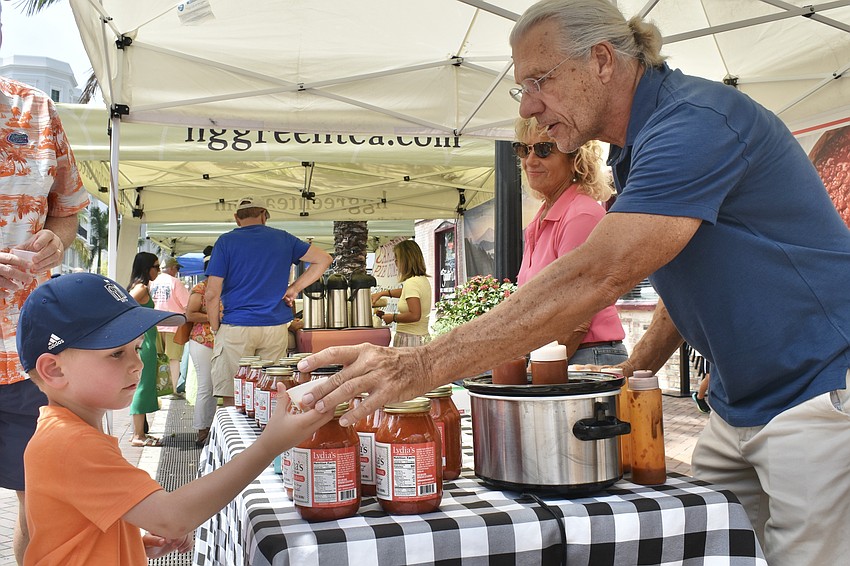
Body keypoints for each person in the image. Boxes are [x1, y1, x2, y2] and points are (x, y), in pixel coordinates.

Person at [297, 2, 850, 565]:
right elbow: (684, 276)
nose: (529, 107)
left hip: (817, 388)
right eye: (523, 89)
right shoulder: (637, 146)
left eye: (540, 80)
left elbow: (598, 273)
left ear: (602, 61)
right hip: (738, 403)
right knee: (705, 546)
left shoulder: (695, 122)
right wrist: (633, 372)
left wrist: (418, 366)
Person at [15, 273, 332, 566]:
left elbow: (76, 530)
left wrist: (132, 544)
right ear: (54, 370)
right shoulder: (72, 443)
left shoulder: (67, 432)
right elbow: (172, 518)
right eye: (116, 353)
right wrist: (270, 445)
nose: (137, 364)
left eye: (137, 347)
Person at [0, 3, 89, 562]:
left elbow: (67, 209)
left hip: (29, 354)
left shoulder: (35, 109)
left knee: (42, 510)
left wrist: (57, 237)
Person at [514, 117, 626, 366]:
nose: (530, 160)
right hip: (560, 354)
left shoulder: (580, 214)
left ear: (575, 159)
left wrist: (535, 370)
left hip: (584, 356)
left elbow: (577, 318)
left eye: (543, 150)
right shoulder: (542, 218)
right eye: (523, 149)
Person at [206, 196, 332, 406]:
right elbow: (324, 259)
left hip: (236, 326)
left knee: (234, 393)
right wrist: (294, 289)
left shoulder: (226, 242)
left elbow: (212, 293)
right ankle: (267, 427)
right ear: (264, 215)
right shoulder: (283, 238)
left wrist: (215, 327)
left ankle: (237, 428)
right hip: (275, 326)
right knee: (270, 392)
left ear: (237, 218)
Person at [126, 252, 164, 448]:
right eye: (156, 267)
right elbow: (123, 308)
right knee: (142, 386)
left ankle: (140, 432)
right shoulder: (141, 288)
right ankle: (138, 435)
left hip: (144, 341)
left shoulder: (141, 287)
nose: (158, 271)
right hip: (144, 343)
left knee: (143, 385)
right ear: (147, 268)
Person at [371, 240, 432, 347]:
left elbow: (415, 315)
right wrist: (382, 293)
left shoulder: (412, 283)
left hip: (410, 339)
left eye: (397, 259)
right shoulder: (421, 280)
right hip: (421, 338)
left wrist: (393, 317)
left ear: (405, 261)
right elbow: (407, 293)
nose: (395, 263)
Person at [186, 246, 216, 446]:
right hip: (202, 341)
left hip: (220, 341)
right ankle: (202, 429)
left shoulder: (229, 289)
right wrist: (214, 317)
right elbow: (190, 314)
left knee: (216, 386)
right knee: (207, 385)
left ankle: (211, 426)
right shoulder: (201, 288)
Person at [150, 256, 190, 396]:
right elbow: (187, 304)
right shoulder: (175, 282)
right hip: (174, 325)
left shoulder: (152, 282)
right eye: (177, 268)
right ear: (172, 268)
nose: (177, 271)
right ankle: (172, 390)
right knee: (173, 359)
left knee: (157, 358)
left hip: (154, 324)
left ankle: (158, 389)